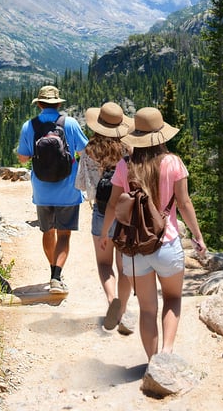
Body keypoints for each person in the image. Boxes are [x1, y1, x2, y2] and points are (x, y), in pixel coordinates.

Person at [100, 106, 207, 360]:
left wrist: (106, 234)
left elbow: (113, 204)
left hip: (135, 248)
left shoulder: (125, 166)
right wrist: (198, 236)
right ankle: (166, 355)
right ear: (160, 135)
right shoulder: (173, 163)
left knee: (147, 309)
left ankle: (151, 361)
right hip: (167, 244)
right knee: (172, 300)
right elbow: (184, 203)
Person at [17, 84, 88, 294]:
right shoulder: (71, 123)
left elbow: (22, 158)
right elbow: (85, 151)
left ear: (39, 104)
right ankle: (56, 277)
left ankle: (53, 272)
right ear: (58, 104)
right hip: (68, 189)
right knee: (64, 234)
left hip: (42, 189)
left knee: (47, 231)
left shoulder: (29, 126)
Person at [78, 102, 134, 332]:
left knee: (104, 263)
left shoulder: (89, 150)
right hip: (125, 213)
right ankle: (122, 311)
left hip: (101, 210)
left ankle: (112, 300)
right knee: (124, 267)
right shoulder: (128, 150)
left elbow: (83, 185)